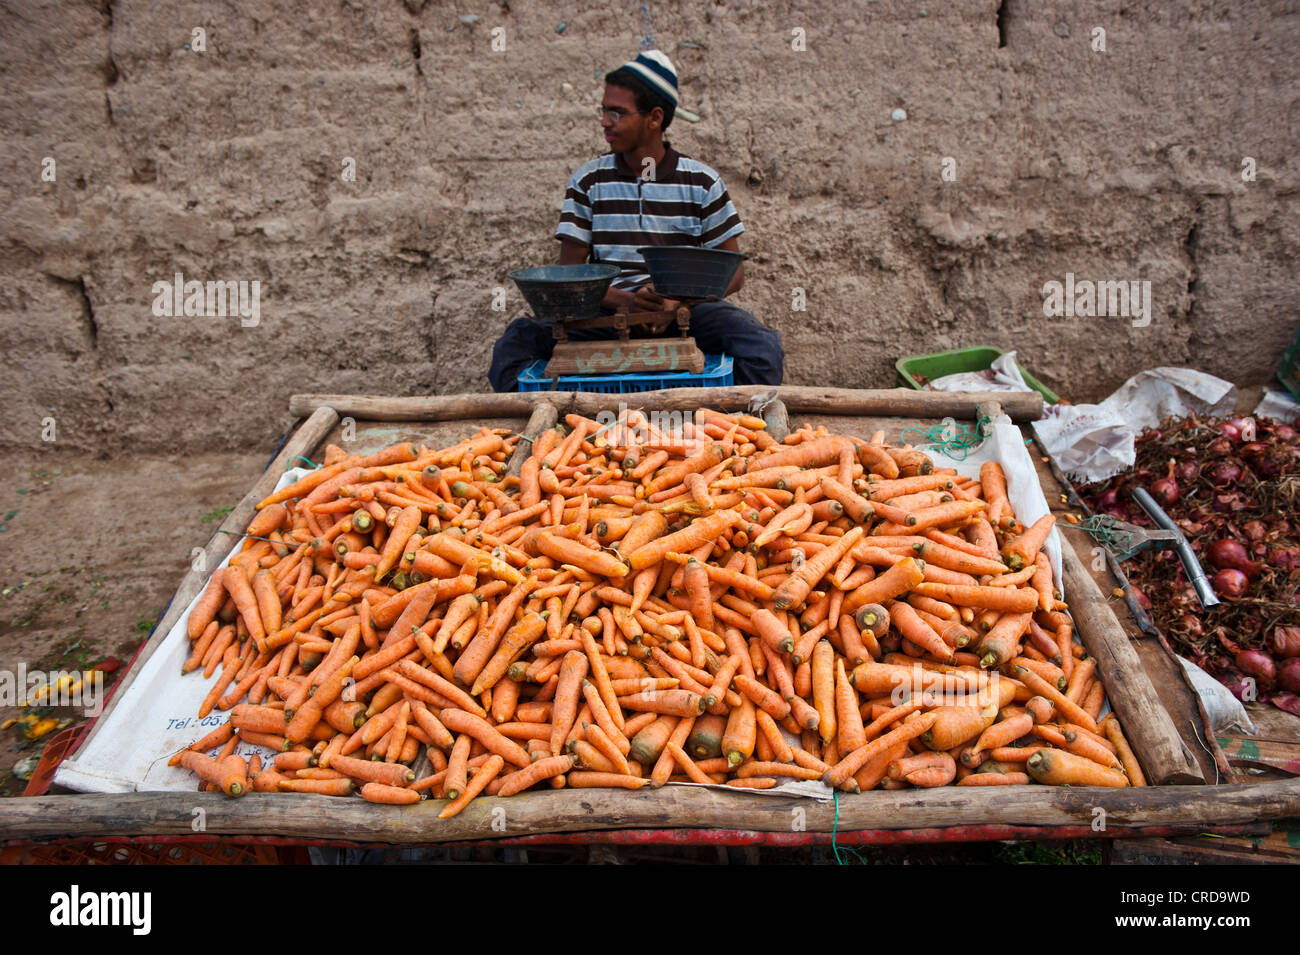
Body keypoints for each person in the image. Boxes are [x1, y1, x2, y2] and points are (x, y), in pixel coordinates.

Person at [488, 50, 784, 392]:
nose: (605, 122)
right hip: (607, 314)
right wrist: (625, 302)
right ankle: (553, 431)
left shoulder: (702, 182)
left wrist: (676, 301)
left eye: (617, 113)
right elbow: (568, 276)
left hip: (685, 313)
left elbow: (734, 273)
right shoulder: (589, 182)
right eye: (604, 110)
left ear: (654, 118)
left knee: (762, 350)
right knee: (515, 346)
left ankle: (732, 433)